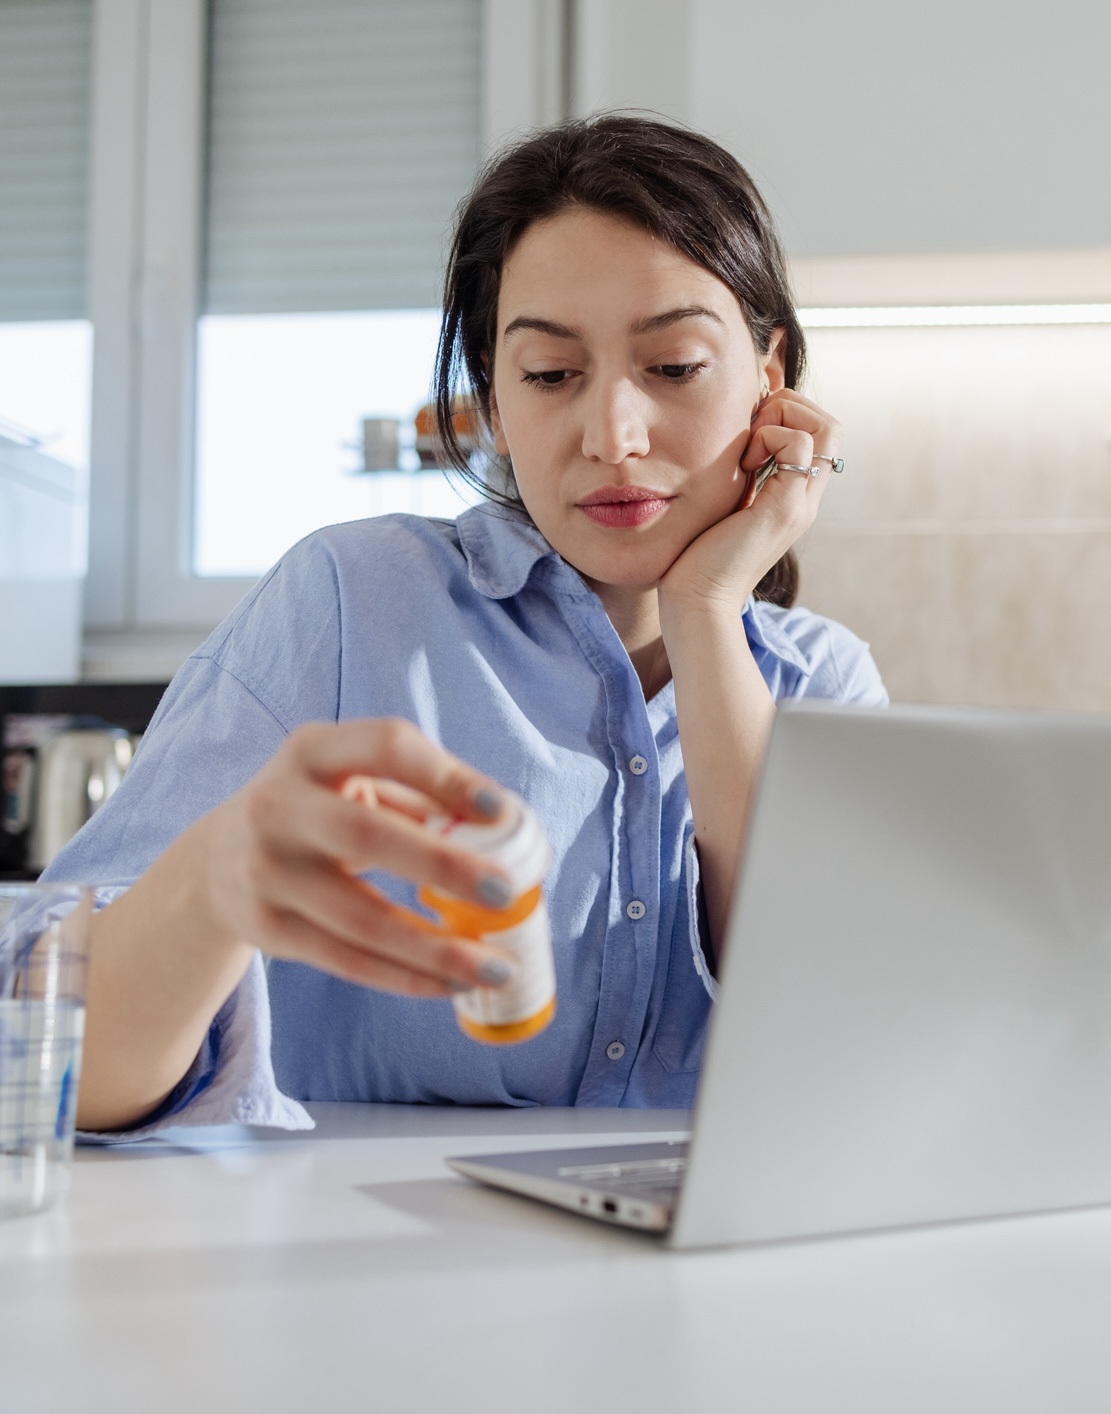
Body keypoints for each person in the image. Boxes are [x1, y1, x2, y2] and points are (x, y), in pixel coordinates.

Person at [48, 115, 886, 1136]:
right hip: (368, 1266)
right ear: (493, 395)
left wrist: (706, 612)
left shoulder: (822, 684)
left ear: (769, 373)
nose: (613, 436)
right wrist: (212, 886)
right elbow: (59, 1066)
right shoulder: (352, 603)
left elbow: (850, 1036)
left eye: (672, 367)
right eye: (549, 375)